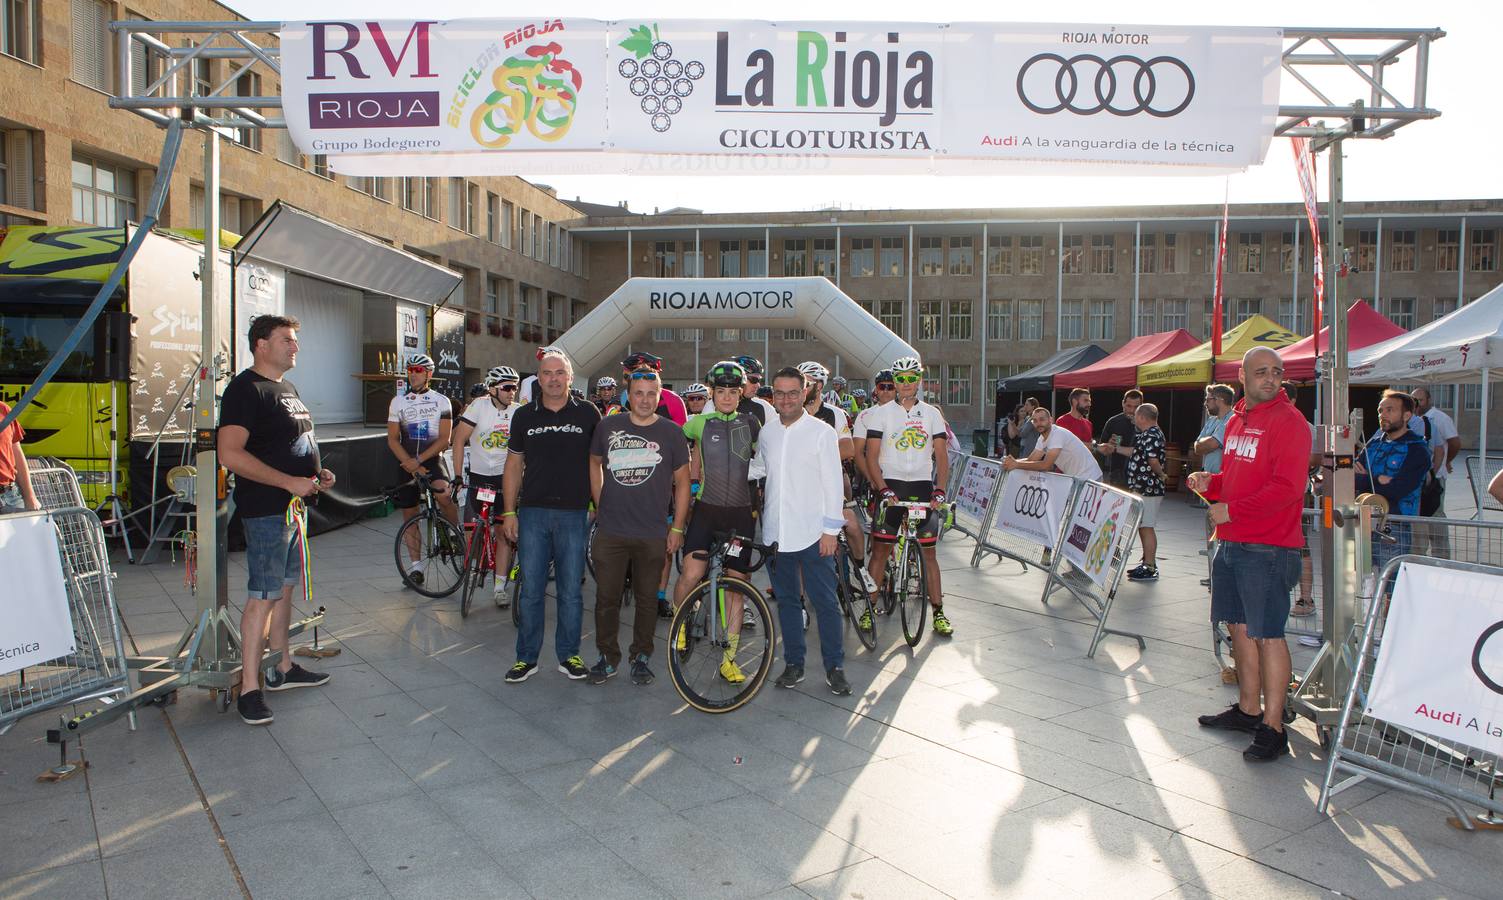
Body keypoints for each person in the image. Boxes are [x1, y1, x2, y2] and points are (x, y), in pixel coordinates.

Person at [1187, 346, 1312, 762]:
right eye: (1261, 372)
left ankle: (1273, 728)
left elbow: (1287, 488)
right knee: (1239, 627)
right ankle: (1247, 709)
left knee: (1268, 634)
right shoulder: (1238, 419)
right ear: (1242, 376)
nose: (1271, 379)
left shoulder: (1290, 423)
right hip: (1233, 540)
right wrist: (1213, 482)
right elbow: (1240, 475)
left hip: (1269, 547)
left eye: (1277, 372)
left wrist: (1233, 508)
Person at [216, 315, 333, 726]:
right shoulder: (244, 390)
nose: (295, 346)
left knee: (284, 591)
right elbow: (229, 454)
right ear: (261, 345)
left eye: (295, 340)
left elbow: (290, 442)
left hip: (292, 509)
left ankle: (283, 667)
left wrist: (315, 474)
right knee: (262, 595)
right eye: (287, 339)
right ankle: (250, 688)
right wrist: (289, 481)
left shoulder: (286, 387)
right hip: (266, 508)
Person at [501, 347, 601, 684]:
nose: (554, 379)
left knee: (571, 590)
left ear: (570, 378)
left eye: (560, 373)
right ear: (538, 378)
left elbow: (596, 465)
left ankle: (569, 655)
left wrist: (598, 506)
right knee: (530, 590)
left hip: (574, 514)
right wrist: (509, 511)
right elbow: (513, 464)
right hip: (532, 513)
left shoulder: (588, 413)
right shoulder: (524, 415)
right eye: (547, 373)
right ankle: (525, 659)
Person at [587, 369, 691, 686]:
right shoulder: (608, 426)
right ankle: (607, 656)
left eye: (651, 393)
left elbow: (684, 482)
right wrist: (600, 501)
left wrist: (677, 529)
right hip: (611, 530)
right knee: (607, 598)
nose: (644, 399)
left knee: (648, 599)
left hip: (652, 532)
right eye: (638, 392)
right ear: (627, 396)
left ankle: (641, 656)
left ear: (659, 396)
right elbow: (593, 463)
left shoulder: (672, 433)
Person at [762, 366, 852, 696]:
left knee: (825, 602)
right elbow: (761, 469)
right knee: (787, 602)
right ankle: (794, 664)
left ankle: (835, 666)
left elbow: (833, 483)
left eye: (792, 392)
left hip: (814, 533)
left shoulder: (821, 432)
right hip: (776, 533)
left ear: (804, 394)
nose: (785, 399)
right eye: (779, 393)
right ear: (773, 395)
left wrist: (831, 530)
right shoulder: (767, 432)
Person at [675, 360, 763, 683]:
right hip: (706, 512)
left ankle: (730, 658)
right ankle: (681, 621)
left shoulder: (752, 424)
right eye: (720, 391)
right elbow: (675, 448)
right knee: (691, 573)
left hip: (740, 515)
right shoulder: (698, 422)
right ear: (711, 393)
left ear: (741, 393)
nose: (726, 397)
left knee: (737, 587)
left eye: (732, 392)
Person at [864, 356, 953, 636]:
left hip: (921, 487)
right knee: (880, 552)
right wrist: (882, 488)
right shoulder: (880, 414)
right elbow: (871, 456)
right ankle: (869, 607)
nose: (904, 384)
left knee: (930, 554)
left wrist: (939, 489)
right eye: (899, 379)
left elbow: (941, 454)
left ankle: (938, 611)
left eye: (910, 378)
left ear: (918, 380)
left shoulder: (931, 413)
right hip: (891, 486)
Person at [800, 361, 877, 595]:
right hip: (801, 488)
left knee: (852, 525)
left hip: (828, 483)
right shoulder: (791, 413)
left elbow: (848, 449)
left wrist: (813, 456)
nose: (803, 388)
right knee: (800, 544)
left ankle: (861, 569)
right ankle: (801, 601)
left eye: (808, 384)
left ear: (819, 386)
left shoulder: (835, 414)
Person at [386, 353, 459, 585]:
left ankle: (453, 532)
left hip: (430, 460)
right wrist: (409, 463)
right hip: (405, 461)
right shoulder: (398, 402)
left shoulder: (441, 401)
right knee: (409, 514)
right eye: (410, 369)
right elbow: (392, 440)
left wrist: (419, 462)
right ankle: (416, 568)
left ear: (428, 374)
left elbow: (445, 440)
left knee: (444, 495)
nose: (412, 374)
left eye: (418, 370)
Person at [452, 365, 519, 603]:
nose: (513, 392)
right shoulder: (478, 407)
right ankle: (473, 567)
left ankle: (500, 587)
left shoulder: (518, 412)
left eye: (515, 387)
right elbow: (459, 440)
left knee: (503, 533)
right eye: (507, 388)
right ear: (492, 389)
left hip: (506, 481)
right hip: (480, 479)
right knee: (473, 530)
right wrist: (459, 475)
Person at [1005, 405, 1102, 567]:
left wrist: (1016, 465)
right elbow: (1031, 459)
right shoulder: (1043, 439)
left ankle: (1101, 555)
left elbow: (1045, 465)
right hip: (1075, 479)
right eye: (1035, 420)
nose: (1038, 423)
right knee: (1057, 515)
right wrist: (1011, 462)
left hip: (1090, 478)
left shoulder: (1057, 434)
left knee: (1086, 520)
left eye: (1042, 419)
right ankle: (1050, 554)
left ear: (1050, 420)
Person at [1355, 390, 1430, 568]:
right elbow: (1351, 478)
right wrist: (1377, 479)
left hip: (1394, 526)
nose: (1383, 415)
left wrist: (1365, 479)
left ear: (1406, 415)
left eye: (1390, 410)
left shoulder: (1417, 449)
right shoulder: (1373, 444)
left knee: (1391, 584)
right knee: (1361, 583)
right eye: (1381, 410)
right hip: (1363, 523)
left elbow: (1397, 490)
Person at [1189, 383, 1236, 586]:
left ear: (1220, 400)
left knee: (1221, 529)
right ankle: (1214, 574)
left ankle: (1223, 575)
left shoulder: (1231, 420)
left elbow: (1209, 444)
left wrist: (1205, 444)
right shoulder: (1211, 421)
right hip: (1209, 485)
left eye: (1208, 399)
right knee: (1211, 529)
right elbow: (1197, 446)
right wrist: (1204, 445)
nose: (1205, 404)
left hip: (1225, 484)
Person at [1114, 402, 1166, 581]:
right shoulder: (1147, 434)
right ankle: (1147, 563)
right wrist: (1115, 448)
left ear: (1142, 417)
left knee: (1147, 526)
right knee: (1143, 526)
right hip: (1142, 487)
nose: (1133, 418)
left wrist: (1161, 474)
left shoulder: (1151, 434)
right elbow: (1137, 453)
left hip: (1148, 488)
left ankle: (1150, 566)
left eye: (1136, 415)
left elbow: (1152, 459)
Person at [1412, 386, 1459, 557]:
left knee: (1436, 516)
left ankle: (1441, 557)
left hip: (1435, 479)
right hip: (1419, 481)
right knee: (1420, 522)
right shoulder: (1413, 420)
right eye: (1414, 400)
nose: (1417, 403)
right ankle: (1419, 557)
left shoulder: (1439, 418)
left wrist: (1446, 462)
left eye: (1420, 399)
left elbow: (1454, 443)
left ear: (1429, 400)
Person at [852, 370, 896, 486]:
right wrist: (870, 477)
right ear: (876, 389)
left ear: (896, 389)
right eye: (882, 387)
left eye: (890, 387)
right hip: (876, 473)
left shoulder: (907, 413)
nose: (886, 390)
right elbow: (857, 452)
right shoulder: (865, 416)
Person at [621, 351, 688, 425]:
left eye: (626, 377)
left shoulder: (673, 400)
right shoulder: (622, 398)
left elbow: (681, 434)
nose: (624, 382)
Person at [1099, 390, 1143, 488]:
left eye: (1136, 407)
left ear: (1141, 406)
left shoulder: (1146, 423)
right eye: (1128, 406)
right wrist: (1109, 445)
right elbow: (1102, 451)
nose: (1132, 410)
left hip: (1140, 476)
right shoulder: (1113, 422)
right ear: (1123, 403)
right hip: (1117, 475)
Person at [0, 400, 38, 513]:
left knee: (30, 530)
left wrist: (30, 497)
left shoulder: (4, 409)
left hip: (11, 494)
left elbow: (17, 455)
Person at [732, 354, 777, 425]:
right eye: (754, 379)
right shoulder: (715, 405)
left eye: (759, 380)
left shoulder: (763, 406)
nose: (758, 385)